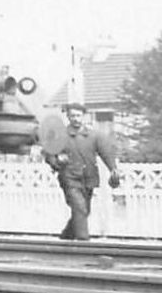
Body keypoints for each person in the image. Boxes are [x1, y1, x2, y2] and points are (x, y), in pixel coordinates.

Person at [46, 102, 122, 240]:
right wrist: (57, 162)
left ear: (84, 116)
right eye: (72, 115)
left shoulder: (94, 135)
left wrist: (113, 169)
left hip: (89, 178)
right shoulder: (59, 135)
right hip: (69, 177)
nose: (76, 118)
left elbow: (106, 153)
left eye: (78, 115)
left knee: (84, 211)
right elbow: (49, 154)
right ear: (68, 116)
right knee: (80, 208)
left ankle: (67, 236)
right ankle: (83, 242)